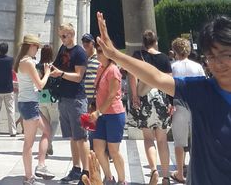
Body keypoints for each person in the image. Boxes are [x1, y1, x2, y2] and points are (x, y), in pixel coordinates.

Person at [97, 12, 231, 185]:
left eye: (225, 54)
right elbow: (157, 77)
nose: (218, 62)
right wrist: (115, 55)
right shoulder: (200, 91)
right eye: (211, 57)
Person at [128, 30, 172, 185]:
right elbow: (169, 81)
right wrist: (171, 103)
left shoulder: (137, 56)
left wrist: (134, 95)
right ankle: (165, 177)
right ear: (156, 41)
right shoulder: (164, 58)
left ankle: (153, 170)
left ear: (143, 42)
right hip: (161, 98)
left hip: (144, 98)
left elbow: (132, 76)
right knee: (162, 139)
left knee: (148, 138)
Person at [49, 23, 89, 184]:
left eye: (64, 36)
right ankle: (76, 168)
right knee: (72, 137)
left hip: (77, 98)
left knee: (81, 137)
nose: (62, 39)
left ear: (72, 34)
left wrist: (61, 74)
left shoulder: (79, 52)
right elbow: (56, 66)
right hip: (64, 98)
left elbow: (79, 76)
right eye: (60, 36)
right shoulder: (62, 50)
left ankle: (86, 172)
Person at [14, 33, 54, 185]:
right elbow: (40, 85)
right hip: (30, 104)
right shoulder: (28, 62)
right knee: (28, 144)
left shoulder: (21, 60)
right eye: (36, 47)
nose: (37, 50)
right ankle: (28, 178)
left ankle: (41, 165)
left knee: (47, 130)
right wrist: (48, 73)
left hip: (28, 103)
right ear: (31, 46)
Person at [88, 44, 126, 185]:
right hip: (101, 115)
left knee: (113, 151)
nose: (98, 54)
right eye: (97, 51)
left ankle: (122, 181)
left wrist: (98, 112)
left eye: (101, 52)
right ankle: (109, 178)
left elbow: (112, 96)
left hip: (114, 114)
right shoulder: (100, 68)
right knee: (98, 149)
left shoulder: (114, 70)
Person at [170, 36, 205, 183]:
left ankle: (180, 171)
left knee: (179, 142)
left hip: (179, 106)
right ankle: (195, 169)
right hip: (195, 107)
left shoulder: (172, 67)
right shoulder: (197, 66)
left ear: (175, 51)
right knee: (196, 141)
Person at [0, 42, 16, 137]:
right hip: (8, 88)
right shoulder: (10, 60)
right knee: (10, 111)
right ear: (7, 50)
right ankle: (12, 131)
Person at [37, 44, 59, 156]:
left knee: (46, 124)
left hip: (41, 96)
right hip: (52, 96)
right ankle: (48, 143)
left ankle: (46, 144)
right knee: (54, 121)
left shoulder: (37, 66)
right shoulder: (53, 66)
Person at [81, 34, 100, 111]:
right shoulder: (82, 57)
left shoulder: (99, 56)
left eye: (87, 41)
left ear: (93, 42)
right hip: (83, 97)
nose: (85, 44)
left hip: (96, 97)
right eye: (83, 41)